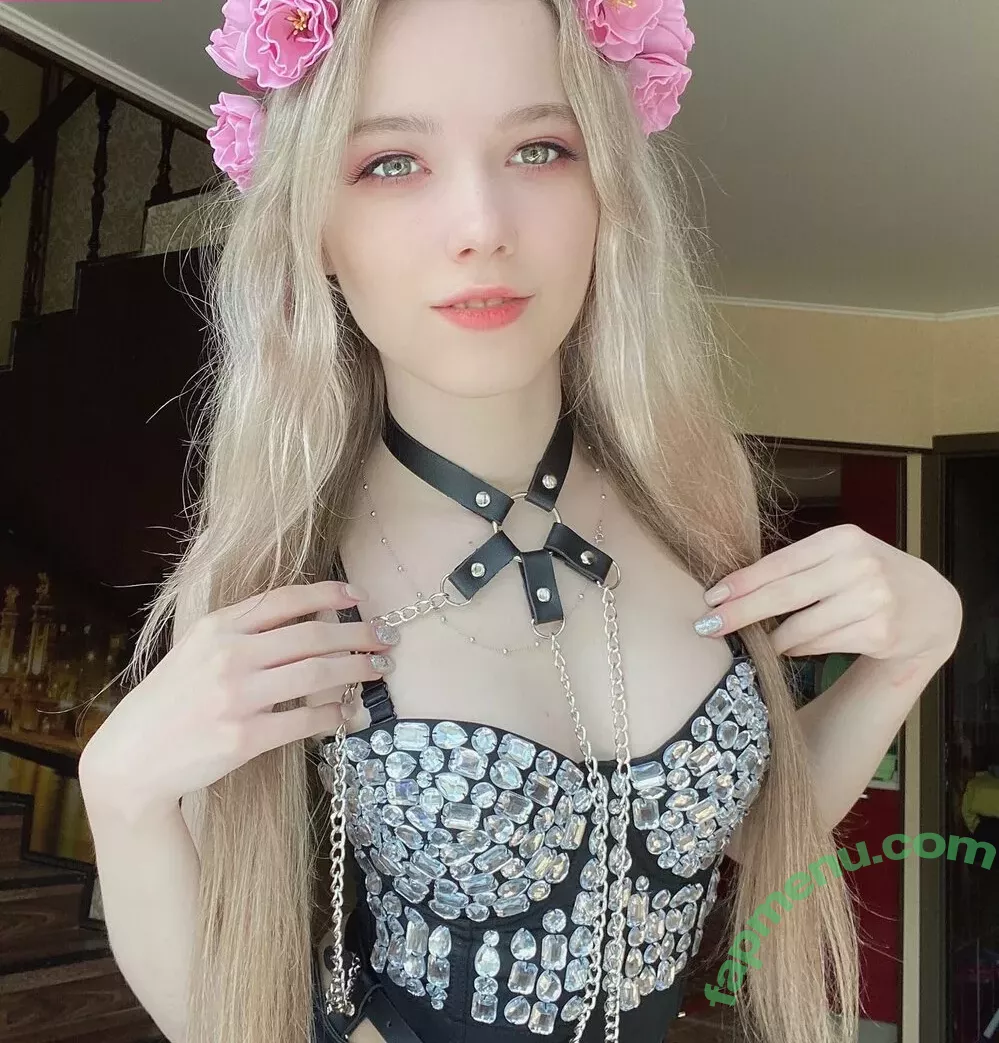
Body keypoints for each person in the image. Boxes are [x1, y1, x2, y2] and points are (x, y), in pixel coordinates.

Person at [76, 1, 963, 1042]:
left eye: (540, 148)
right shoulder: (287, 572)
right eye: (391, 163)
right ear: (314, 226)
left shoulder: (688, 500)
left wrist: (911, 654)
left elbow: (748, 825)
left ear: (607, 191)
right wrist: (122, 799)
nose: (481, 225)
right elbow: (225, 1012)